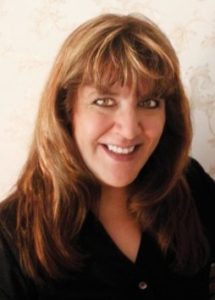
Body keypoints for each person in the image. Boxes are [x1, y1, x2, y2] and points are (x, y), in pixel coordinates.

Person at [0, 13, 214, 300]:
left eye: (149, 102)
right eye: (104, 101)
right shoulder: (12, 236)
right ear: (66, 111)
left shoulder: (188, 182)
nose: (128, 130)